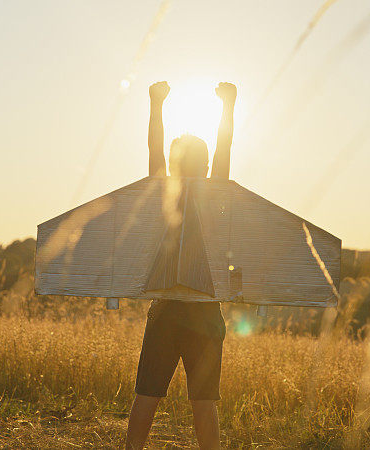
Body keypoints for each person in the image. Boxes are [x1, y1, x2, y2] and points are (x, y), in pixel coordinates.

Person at [125, 80, 236, 450]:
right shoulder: (214, 191)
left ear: (173, 165)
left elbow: (153, 148)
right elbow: (225, 150)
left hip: (167, 308)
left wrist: (156, 103)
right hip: (204, 308)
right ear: (205, 167)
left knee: (148, 395)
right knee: (204, 403)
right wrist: (228, 105)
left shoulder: (163, 192)